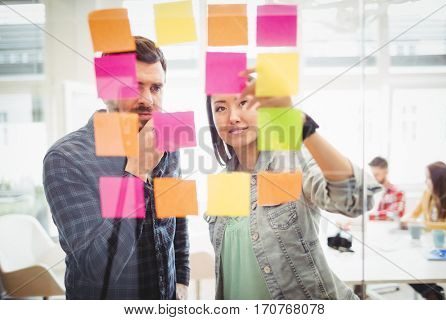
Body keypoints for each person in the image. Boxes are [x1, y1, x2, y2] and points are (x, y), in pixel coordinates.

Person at [204, 69, 381, 299]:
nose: (233, 117)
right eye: (220, 107)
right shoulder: (222, 182)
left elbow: (355, 199)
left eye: (244, 103)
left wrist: (301, 124)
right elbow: (230, 271)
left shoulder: (291, 161)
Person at [43, 36, 189, 299]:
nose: (146, 100)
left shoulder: (167, 141)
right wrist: (136, 173)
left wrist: (182, 280)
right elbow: (98, 268)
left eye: (156, 88)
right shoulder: (65, 158)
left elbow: (177, 217)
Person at [401, 161, 446, 300]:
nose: (425, 181)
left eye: (428, 177)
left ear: (438, 179)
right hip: (431, 246)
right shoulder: (427, 194)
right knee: (404, 266)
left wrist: (423, 224)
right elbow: (414, 213)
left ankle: (433, 293)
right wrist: (405, 219)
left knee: (412, 267)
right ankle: (433, 293)